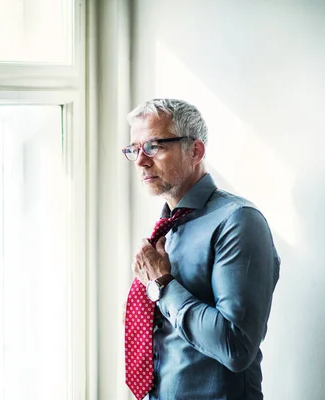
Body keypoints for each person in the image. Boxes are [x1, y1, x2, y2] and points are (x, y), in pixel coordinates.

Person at [123, 98, 280, 400]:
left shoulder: (238, 222)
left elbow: (235, 348)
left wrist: (161, 284)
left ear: (195, 150)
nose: (140, 161)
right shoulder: (166, 227)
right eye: (134, 149)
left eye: (153, 146)